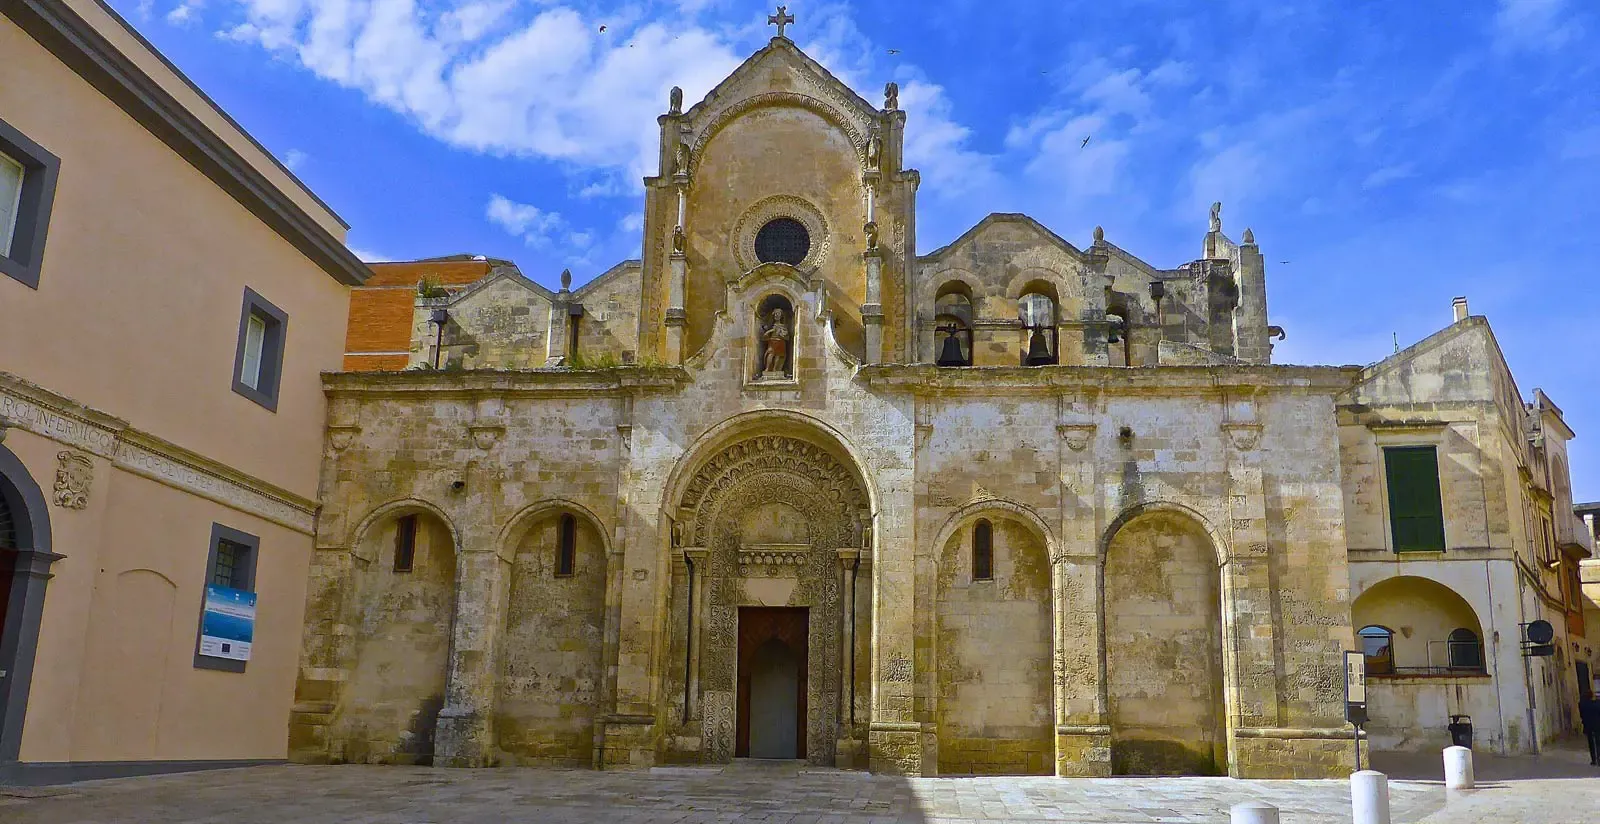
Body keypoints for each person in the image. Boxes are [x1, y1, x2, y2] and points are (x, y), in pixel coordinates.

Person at [1581, 690, 1600, 766]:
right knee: (1598, 742)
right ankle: (1599, 758)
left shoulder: (1582, 705)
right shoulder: (1597, 704)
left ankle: (1593, 760)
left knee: (1591, 743)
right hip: (1597, 725)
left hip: (1588, 726)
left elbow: (1582, 716)